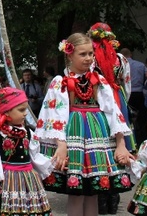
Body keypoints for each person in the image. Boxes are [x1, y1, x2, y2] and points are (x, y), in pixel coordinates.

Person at [36, 33, 133, 216]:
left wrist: (121, 144)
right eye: (83, 54)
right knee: (76, 192)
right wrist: (61, 145)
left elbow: (113, 112)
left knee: (93, 192)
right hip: (74, 135)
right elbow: (54, 114)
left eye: (90, 53)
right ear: (69, 54)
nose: (88, 58)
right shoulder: (60, 82)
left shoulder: (100, 81)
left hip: (98, 134)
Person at [0, 87, 53, 216]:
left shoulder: (29, 133)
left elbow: (35, 156)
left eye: (26, 109)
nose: (25, 113)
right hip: (6, 181)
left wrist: (52, 162)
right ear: (6, 112)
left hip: (28, 180)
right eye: (21, 110)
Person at [87, 23, 133, 215]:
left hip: (95, 99)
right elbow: (127, 83)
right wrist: (122, 102)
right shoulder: (121, 59)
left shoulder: (89, 57)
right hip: (117, 96)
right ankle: (115, 193)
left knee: (100, 142)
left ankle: (101, 195)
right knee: (118, 141)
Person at [120, 48, 147, 145]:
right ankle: (142, 138)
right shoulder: (140, 65)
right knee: (141, 118)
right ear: (131, 54)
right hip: (139, 93)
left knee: (128, 117)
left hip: (126, 94)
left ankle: (131, 139)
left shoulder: (120, 65)